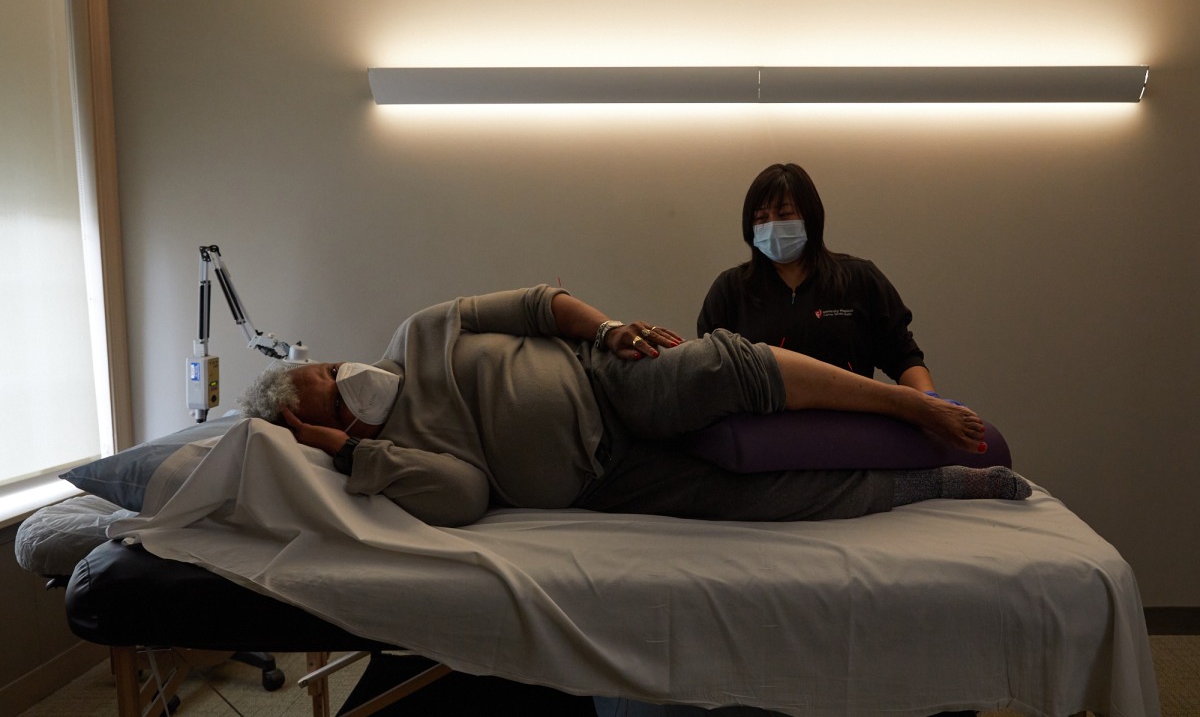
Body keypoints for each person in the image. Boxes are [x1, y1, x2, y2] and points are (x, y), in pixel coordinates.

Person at [239, 285, 1029, 528]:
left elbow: (540, 303)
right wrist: (352, 452)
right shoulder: (389, 459)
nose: (348, 378)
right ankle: (930, 486)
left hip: (603, 380)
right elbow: (466, 495)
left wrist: (608, 330)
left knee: (715, 366)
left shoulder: (420, 334)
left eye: (331, 368)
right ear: (326, 429)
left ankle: (904, 408)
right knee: (748, 503)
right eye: (334, 398)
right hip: (601, 480)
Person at [698, 162, 938, 393]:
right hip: (761, 421)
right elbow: (709, 370)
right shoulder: (730, 289)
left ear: (810, 217)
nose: (772, 226)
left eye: (784, 214)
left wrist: (931, 402)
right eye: (761, 218)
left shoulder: (859, 279)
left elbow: (902, 355)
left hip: (848, 417)